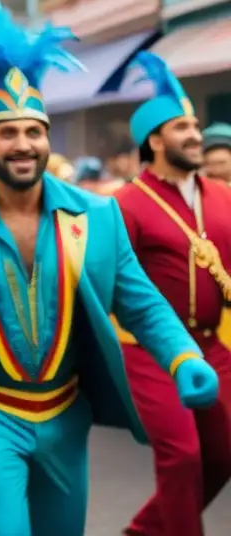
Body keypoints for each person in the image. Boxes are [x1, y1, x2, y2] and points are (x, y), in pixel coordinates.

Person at [0, 4, 218, 536]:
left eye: (34, 131)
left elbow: (138, 301)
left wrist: (182, 355)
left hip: (66, 413)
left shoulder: (97, 214)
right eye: (8, 133)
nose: (23, 144)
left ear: (48, 137)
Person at [112, 53, 231, 536]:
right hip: (150, 351)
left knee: (225, 451)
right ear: (154, 140)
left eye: (196, 125)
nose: (194, 135)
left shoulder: (224, 196)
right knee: (182, 456)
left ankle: (143, 531)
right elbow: (110, 284)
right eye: (181, 127)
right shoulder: (125, 204)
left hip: (212, 344)